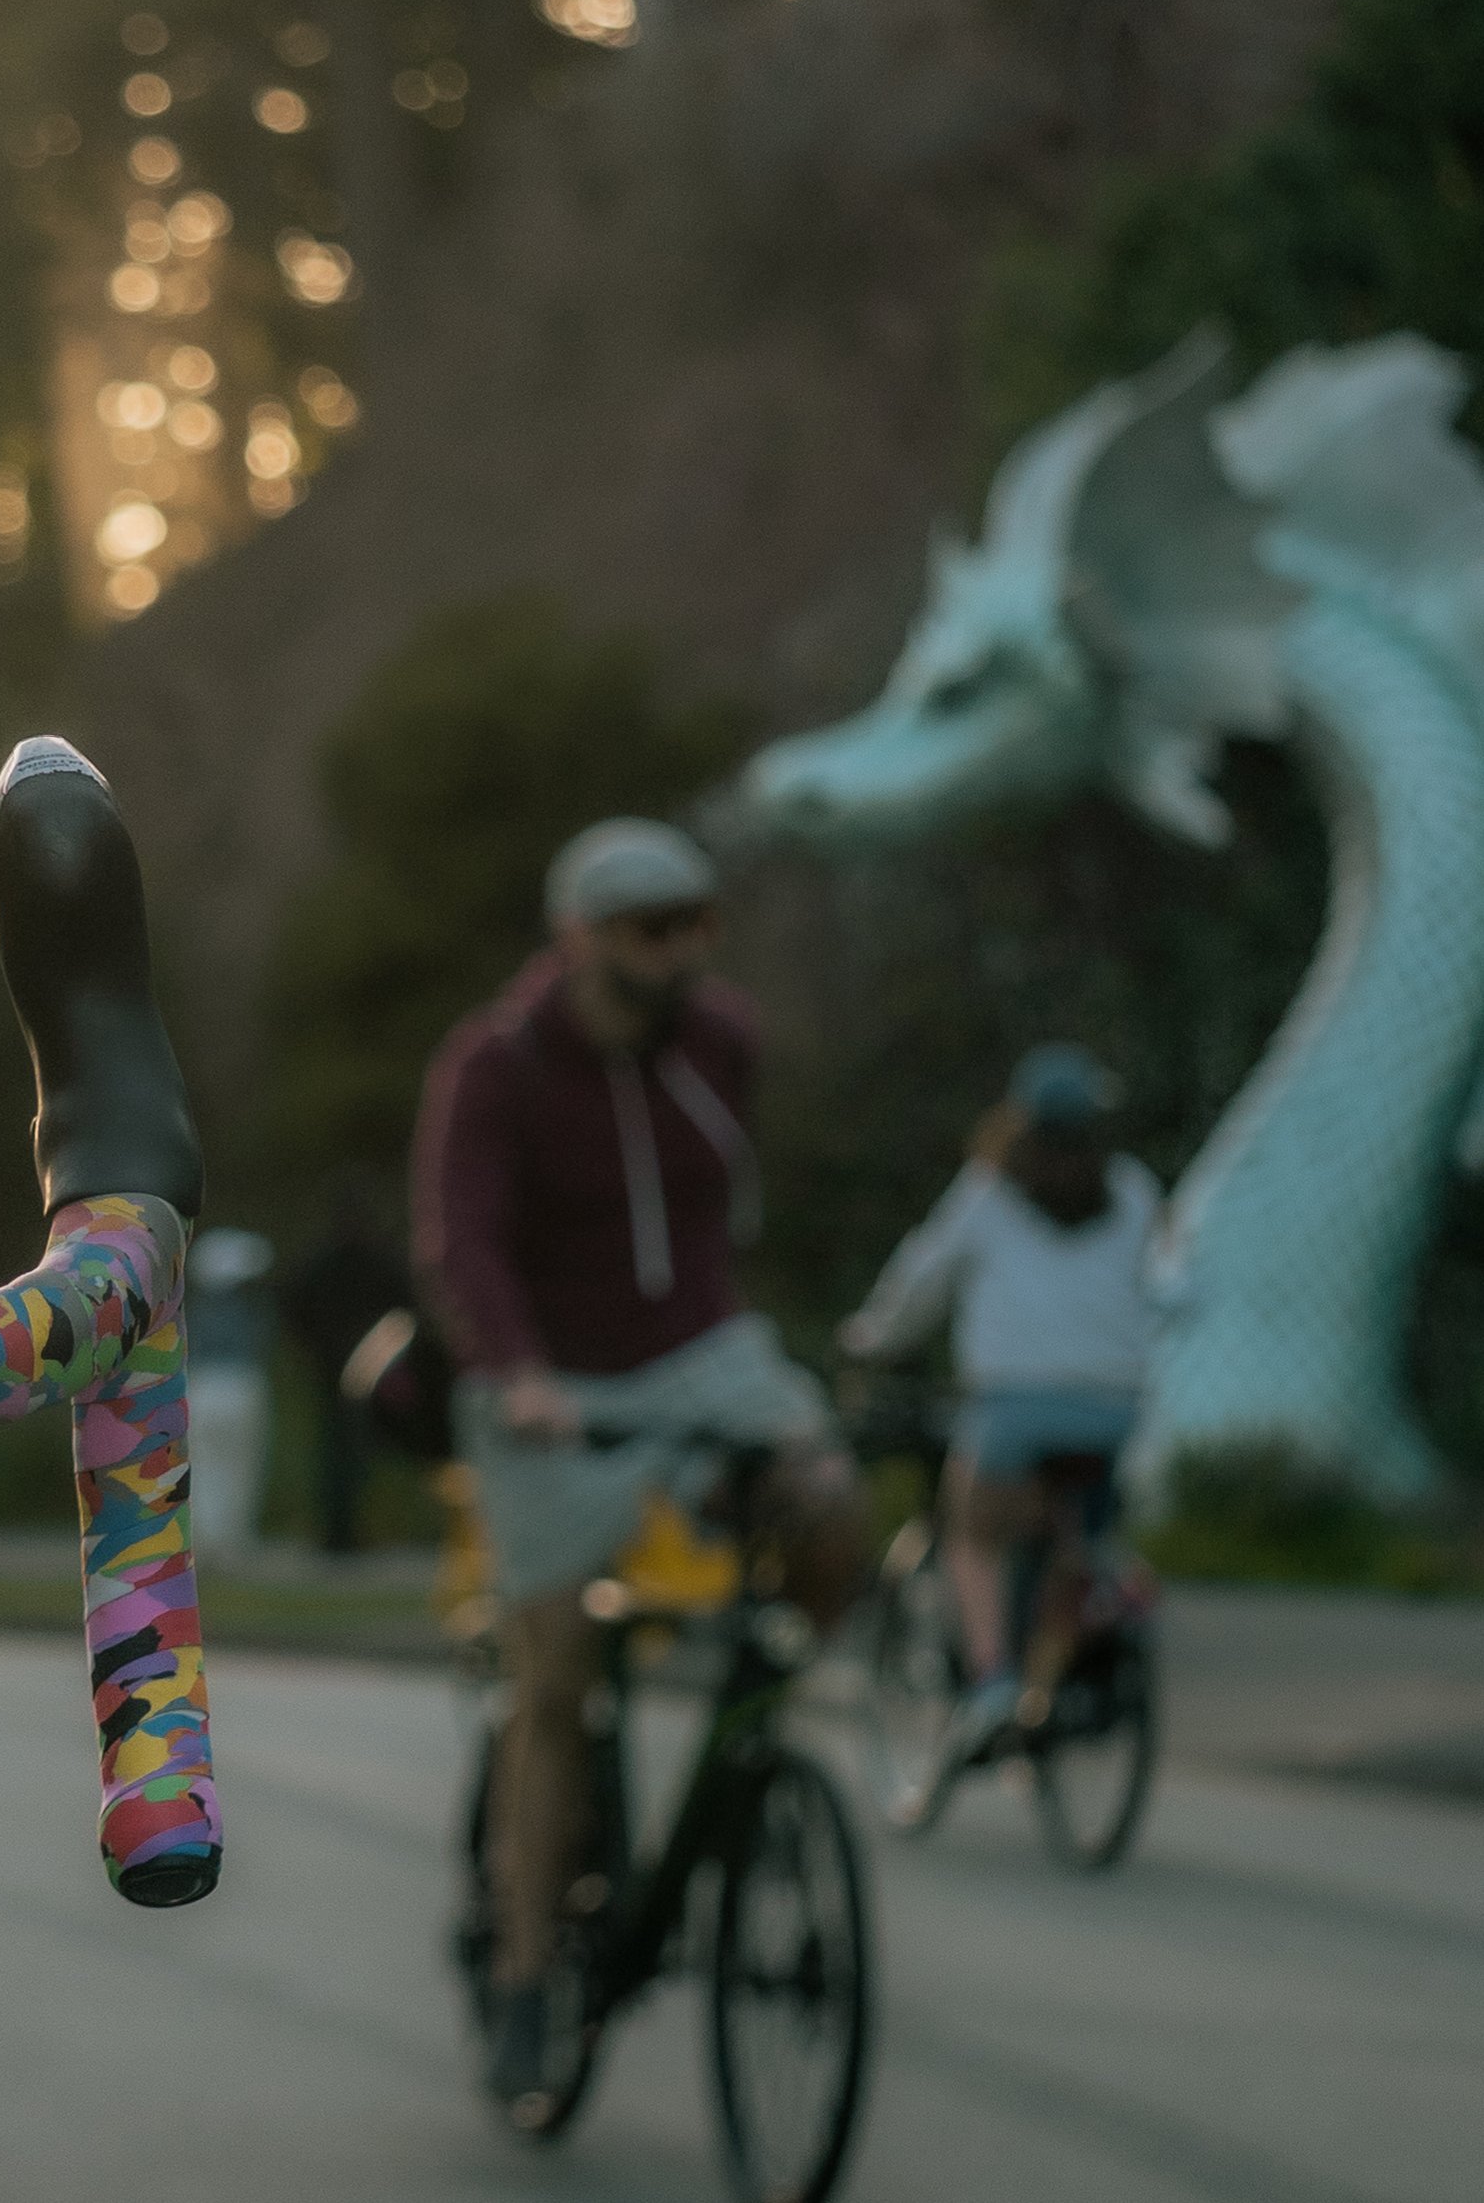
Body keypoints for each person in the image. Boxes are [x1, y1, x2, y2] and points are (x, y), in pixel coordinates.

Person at [413, 817, 864, 2126]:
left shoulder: (724, 1041)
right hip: (552, 1380)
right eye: (651, 927)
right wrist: (518, 1370)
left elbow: (716, 1219)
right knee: (554, 1677)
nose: (681, 951)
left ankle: (753, 1734)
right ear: (579, 937)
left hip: (700, 1354)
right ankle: (523, 1971)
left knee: (831, 1502)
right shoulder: (496, 1063)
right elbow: (463, 1238)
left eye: (695, 923)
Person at [841, 1039, 1160, 1769]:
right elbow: (1166, 1279)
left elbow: (923, 1277)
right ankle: (1074, 1633)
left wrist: (869, 1336)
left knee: (974, 1536)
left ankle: (991, 1682)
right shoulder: (1131, 1188)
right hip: (1116, 1407)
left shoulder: (990, 1191)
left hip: (1015, 1408)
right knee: (1073, 1537)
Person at [281, 1170, 411, 1556]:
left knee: (343, 1450)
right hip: (348, 1368)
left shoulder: (327, 1262)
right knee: (346, 1451)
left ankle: (341, 1531)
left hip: (346, 1367)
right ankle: (340, 1532)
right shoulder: (369, 1262)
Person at [183, 1226, 276, 1558]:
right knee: (237, 1466)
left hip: (204, 1386)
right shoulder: (250, 1308)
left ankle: (210, 1539)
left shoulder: (194, 1309)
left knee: (206, 1466)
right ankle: (227, 1540)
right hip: (238, 1385)